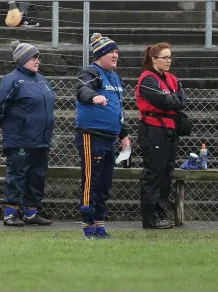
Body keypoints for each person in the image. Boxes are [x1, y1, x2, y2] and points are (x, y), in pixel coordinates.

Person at [0, 40, 55, 227]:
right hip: (20, 138)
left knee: (37, 175)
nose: (37, 61)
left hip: (41, 139)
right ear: (23, 59)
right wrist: (15, 127)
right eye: (34, 58)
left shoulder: (42, 80)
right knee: (17, 175)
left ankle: (31, 212)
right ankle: (10, 213)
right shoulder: (12, 80)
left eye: (38, 58)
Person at [75, 33, 130, 240]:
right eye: (111, 52)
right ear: (100, 55)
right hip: (91, 136)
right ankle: (87, 224)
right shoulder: (92, 72)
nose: (115, 55)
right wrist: (94, 97)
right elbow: (82, 90)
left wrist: (123, 135)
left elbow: (118, 109)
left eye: (117, 52)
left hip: (109, 137)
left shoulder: (115, 77)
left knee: (105, 183)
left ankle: (99, 223)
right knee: (92, 180)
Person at [136, 42, 186, 229]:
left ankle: (161, 214)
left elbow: (180, 100)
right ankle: (150, 218)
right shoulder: (148, 79)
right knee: (155, 173)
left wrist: (172, 100)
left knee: (166, 174)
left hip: (170, 130)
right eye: (164, 57)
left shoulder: (171, 79)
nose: (168, 61)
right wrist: (172, 100)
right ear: (154, 59)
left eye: (170, 57)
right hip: (153, 130)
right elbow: (163, 101)